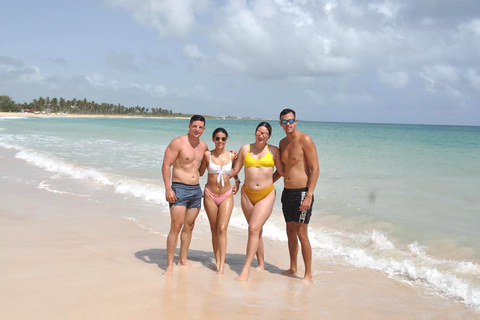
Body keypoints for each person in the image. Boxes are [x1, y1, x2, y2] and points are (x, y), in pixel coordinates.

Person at [229, 122, 284, 281]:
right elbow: (234, 170)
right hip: (247, 193)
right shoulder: (245, 148)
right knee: (256, 229)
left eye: (265, 134)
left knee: (253, 227)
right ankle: (261, 263)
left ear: (269, 136)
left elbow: (281, 171)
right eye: (259, 132)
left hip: (266, 194)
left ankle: (246, 269)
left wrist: (270, 182)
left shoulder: (273, 151)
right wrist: (223, 159)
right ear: (255, 133)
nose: (262, 135)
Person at [274, 108, 319, 283]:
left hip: (302, 193)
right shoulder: (282, 143)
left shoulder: (305, 140)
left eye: (290, 121)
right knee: (290, 231)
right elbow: (282, 170)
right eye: (284, 122)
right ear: (280, 124)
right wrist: (265, 182)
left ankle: (308, 274)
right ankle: (293, 268)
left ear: (296, 121)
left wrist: (309, 195)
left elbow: (315, 169)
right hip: (287, 193)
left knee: (302, 232)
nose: (288, 124)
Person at [161, 115, 208, 276]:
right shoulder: (178, 143)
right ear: (189, 126)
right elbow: (166, 165)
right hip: (179, 188)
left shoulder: (203, 146)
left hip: (196, 190)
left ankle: (183, 260)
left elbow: (202, 169)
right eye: (194, 126)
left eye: (200, 127)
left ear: (204, 129)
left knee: (189, 226)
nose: (197, 130)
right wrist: (168, 188)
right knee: (176, 226)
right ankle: (169, 266)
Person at [199, 128, 240, 275]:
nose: (220, 141)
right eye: (217, 138)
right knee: (214, 229)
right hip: (210, 195)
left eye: (223, 139)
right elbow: (200, 172)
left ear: (226, 140)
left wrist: (237, 182)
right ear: (213, 139)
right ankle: (216, 260)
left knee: (222, 229)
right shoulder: (206, 155)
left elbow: (235, 171)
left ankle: (222, 265)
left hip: (226, 195)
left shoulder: (232, 155)